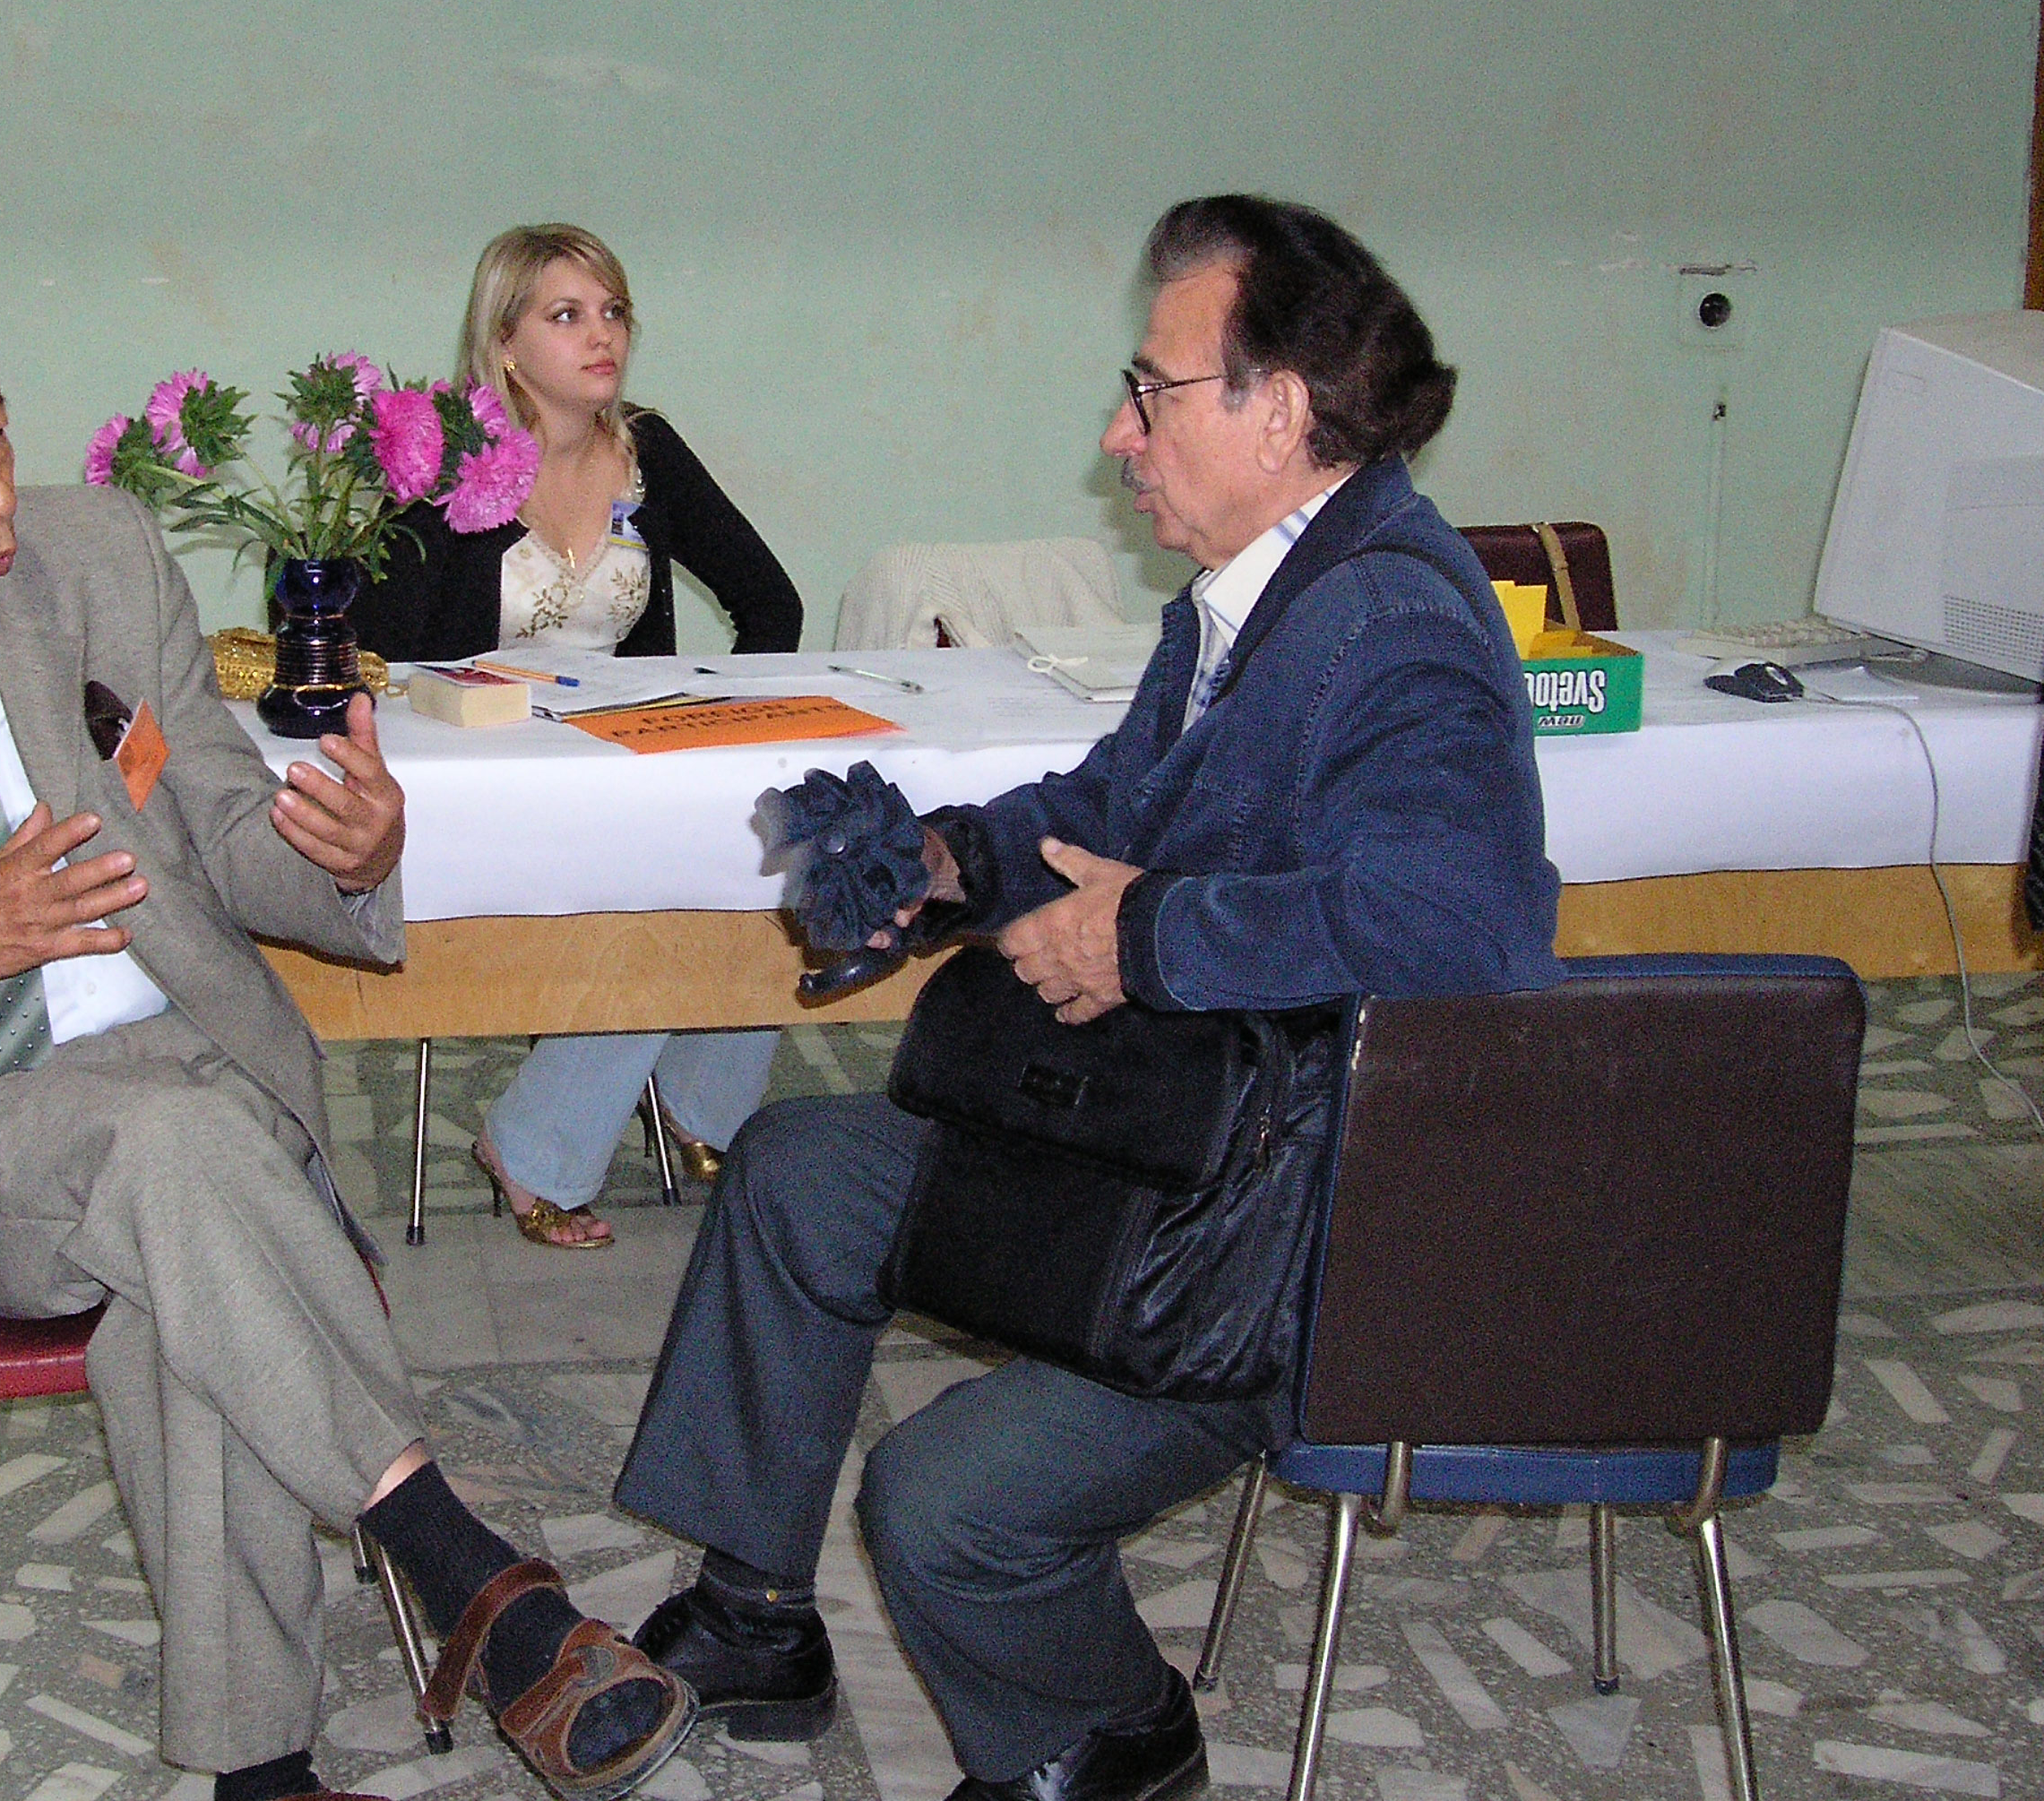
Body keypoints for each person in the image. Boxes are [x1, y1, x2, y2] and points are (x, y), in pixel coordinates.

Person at [0, 275, 696, 1801]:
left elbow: (217, 816)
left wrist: (345, 856)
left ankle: (263, 1770)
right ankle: (465, 1574)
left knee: (184, 1250)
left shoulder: (89, 555)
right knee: (174, 1157)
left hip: (212, 1083)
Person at [609, 197, 1565, 1801]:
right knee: (796, 1176)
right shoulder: (1252, 599)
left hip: (1285, 1237)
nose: (1119, 434)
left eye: (1151, 391)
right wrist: (941, 864)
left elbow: (1456, 925)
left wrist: (1145, 939)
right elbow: (1106, 807)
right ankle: (755, 1613)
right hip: (1170, 1150)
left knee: (944, 1502)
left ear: (1278, 408)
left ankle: (1110, 1734)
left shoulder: (1394, 623)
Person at [355, 224, 803, 1250]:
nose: (603, 336)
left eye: (613, 312)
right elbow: (382, 652)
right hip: (473, 779)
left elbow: (770, 601)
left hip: (617, 766)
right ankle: (534, 1148)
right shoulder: (448, 459)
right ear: (506, 344)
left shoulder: (649, 450)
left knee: (776, 840)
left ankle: (702, 1103)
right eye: (567, 315)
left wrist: (721, 726)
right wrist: (432, 502)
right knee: (651, 875)